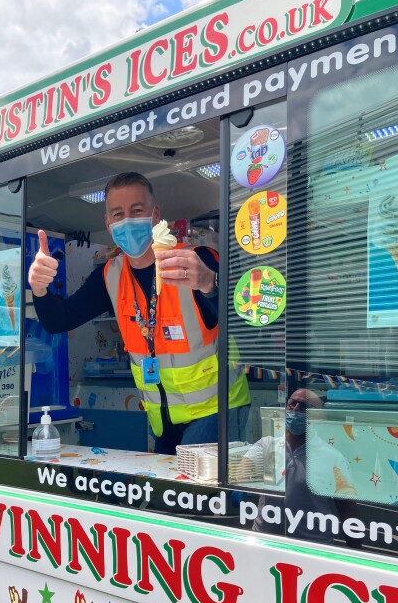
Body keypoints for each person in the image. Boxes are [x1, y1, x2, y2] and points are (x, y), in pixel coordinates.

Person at [28, 171, 250, 454]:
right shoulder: (109, 276)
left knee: (199, 495)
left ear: (155, 215)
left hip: (218, 410)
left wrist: (210, 284)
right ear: (108, 224)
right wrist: (39, 288)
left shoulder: (196, 260)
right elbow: (59, 320)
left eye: (137, 210)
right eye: (118, 214)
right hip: (164, 421)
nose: (128, 221)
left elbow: (247, 322)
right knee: (167, 497)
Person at [237, 388, 361, 547]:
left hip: (312, 546)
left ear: (318, 417)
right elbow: (241, 475)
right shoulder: (267, 445)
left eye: (304, 407)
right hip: (266, 540)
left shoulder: (332, 457)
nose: (296, 410)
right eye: (292, 404)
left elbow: (347, 509)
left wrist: (356, 550)